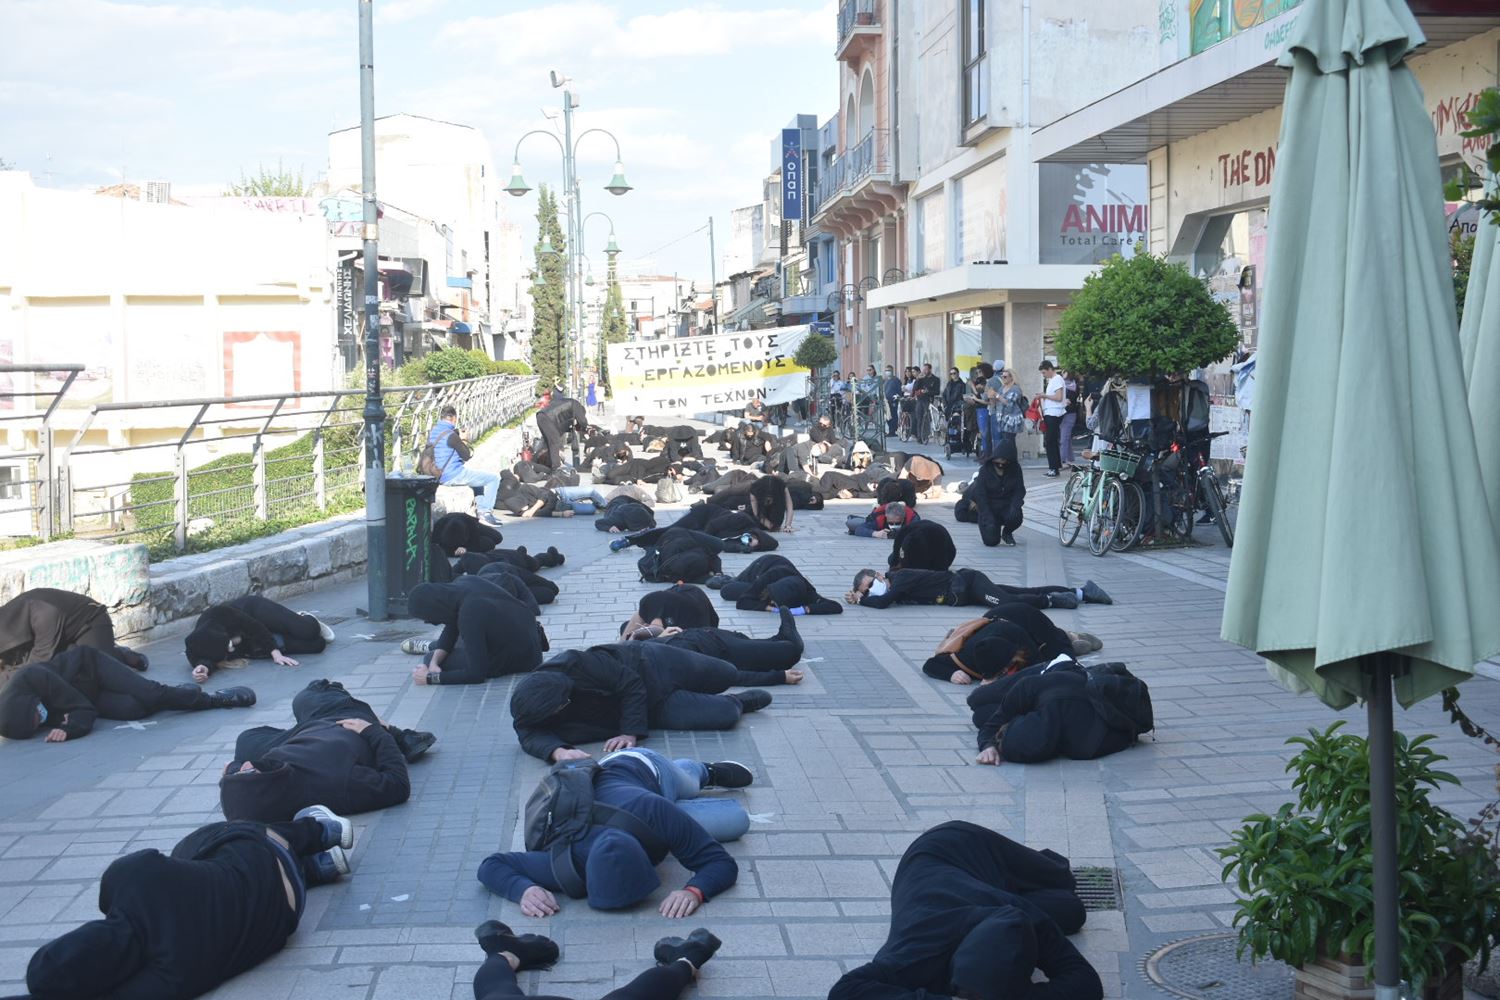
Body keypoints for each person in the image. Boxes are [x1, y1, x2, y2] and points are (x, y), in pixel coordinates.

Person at [14, 811, 358, 1000]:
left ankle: (317, 868)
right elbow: (114, 901)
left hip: (287, 911)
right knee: (202, 845)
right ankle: (319, 830)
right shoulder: (132, 875)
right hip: (266, 849)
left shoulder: (166, 977)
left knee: (223, 883)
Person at [828, 821, 1101, 1000]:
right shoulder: (920, 947)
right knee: (1065, 894)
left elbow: (1087, 982)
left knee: (1068, 896)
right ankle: (1014, 881)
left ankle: (1019, 878)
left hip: (969, 867)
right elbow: (845, 991)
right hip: (944, 860)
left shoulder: (1027, 918)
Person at [477, 752, 742, 917]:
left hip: (647, 768)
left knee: (704, 795)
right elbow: (491, 865)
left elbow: (720, 862)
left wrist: (694, 891)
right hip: (621, 788)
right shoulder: (569, 862)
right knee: (706, 821)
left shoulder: (654, 811)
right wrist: (524, 889)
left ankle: (704, 769)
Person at [509, 642, 774, 763]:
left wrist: (629, 732)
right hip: (653, 709)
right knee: (725, 714)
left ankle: (774, 673)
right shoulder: (532, 707)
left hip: (653, 664)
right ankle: (740, 700)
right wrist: (558, 752)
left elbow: (631, 683)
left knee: (726, 673)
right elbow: (527, 734)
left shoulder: (575, 663)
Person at [219, 678, 428, 822]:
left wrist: (233, 773)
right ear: (267, 790)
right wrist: (374, 732)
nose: (245, 765)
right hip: (345, 721)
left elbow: (241, 772)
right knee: (312, 692)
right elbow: (398, 786)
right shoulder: (340, 784)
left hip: (299, 736)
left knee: (246, 740)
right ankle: (397, 734)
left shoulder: (273, 775)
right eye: (246, 772)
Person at [0, 647, 255, 742]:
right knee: (132, 708)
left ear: (27, 704)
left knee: (150, 692)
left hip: (90, 667)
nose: (42, 720)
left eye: (37, 716)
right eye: (37, 726)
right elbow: (73, 708)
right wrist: (62, 719)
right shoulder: (18, 709)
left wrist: (70, 728)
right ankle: (176, 694)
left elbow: (82, 711)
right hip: (85, 694)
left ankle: (215, 699)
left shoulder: (31, 677)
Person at [968, 659, 1153, 765]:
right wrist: (988, 744)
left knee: (979, 713)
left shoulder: (1084, 748)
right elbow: (993, 724)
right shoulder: (1086, 746)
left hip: (1061, 676)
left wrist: (987, 745)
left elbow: (992, 724)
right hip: (1065, 675)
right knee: (977, 705)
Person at [406, 580, 547, 686]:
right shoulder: (464, 585)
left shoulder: (469, 613)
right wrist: (434, 662)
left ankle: (430, 648)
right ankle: (432, 648)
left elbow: (476, 674)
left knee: (431, 658)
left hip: (523, 660)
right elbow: (452, 625)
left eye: (427, 618)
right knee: (433, 658)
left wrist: (430, 678)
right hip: (530, 645)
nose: (429, 622)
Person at [623, 606, 807, 684]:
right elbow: (732, 677)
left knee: (763, 645)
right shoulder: (670, 664)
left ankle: (780, 637)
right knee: (790, 652)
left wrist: (657, 634)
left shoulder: (653, 645)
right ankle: (789, 641)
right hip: (725, 652)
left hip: (713, 635)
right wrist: (779, 677)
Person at [920, 603, 1087, 684]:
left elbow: (1042, 671)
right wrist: (951, 674)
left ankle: (1067, 637)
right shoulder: (968, 657)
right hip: (994, 621)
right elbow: (931, 664)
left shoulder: (1024, 650)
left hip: (1027, 619)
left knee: (1061, 656)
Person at [184, 595, 335, 683]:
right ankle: (287, 629)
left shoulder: (217, 614)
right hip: (252, 641)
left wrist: (275, 653)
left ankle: (303, 617)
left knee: (308, 631)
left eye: (229, 644)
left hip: (255, 614)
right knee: (317, 645)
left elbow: (253, 626)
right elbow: (204, 658)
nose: (231, 648)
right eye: (228, 648)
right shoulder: (196, 644)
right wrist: (203, 668)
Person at [0, 587, 148, 671]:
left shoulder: (43, 613)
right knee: (71, 667)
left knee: (99, 671)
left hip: (90, 622)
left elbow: (40, 660)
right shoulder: (10, 615)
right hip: (61, 638)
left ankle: (120, 654)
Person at [846, 567, 1113, 611]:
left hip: (969, 583)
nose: (871, 591)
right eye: (867, 591)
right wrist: (864, 597)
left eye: (870, 585)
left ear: (878, 575)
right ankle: (1082, 592)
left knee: (1007, 604)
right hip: (966, 592)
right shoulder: (899, 586)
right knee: (1020, 592)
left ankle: (1056, 601)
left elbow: (883, 603)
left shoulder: (900, 579)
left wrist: (861, 601)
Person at [429, 404, 503, 527]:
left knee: (478, 482)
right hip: (452, 475)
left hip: (437, 474)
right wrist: (463, 439)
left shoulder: (434, 431)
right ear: (454, 418)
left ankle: (481, 511)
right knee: (493, 479)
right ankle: (486, 513)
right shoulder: (451, 435)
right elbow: (466, 455)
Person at [715, 554, 843, 615]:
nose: (771, 603)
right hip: (763, 567)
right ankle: (724, 578)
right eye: (772, 601)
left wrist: (805, 610)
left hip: (782, 572)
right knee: (727, 590)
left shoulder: (805, 591)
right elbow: (743, 602)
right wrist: (771, 609)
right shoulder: (768, 579)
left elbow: (836, 607)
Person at [955, 437, 1026, 546]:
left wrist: (1015, 506)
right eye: (998, 461)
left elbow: (1019, 490)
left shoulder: (1015, 469)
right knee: (991, 540)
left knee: (1016, 516)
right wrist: (987, 517)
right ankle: (992, 528)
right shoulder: (985, 471)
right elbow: (981, 496)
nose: (1000, 464)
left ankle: (1007, 533)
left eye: (1004, 461)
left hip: (1006, 506)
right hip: (989, 508)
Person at [535, 394, 590, 470]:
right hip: (548, 418)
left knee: (548, 443)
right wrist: (585, 428)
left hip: (541, 416)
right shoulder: (577, 405)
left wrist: (572, 428)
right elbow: (583, 422)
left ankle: (540, 463)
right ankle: (556, 468)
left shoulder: (568, 403)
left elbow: (560, 422)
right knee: (555, 442)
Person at [887, 518, 957, 572]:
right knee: (891, 559)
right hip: (938, 541)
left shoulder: (937, 556)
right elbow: (895, 559)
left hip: (940, 550)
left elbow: (941, 570)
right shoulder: (903, 534)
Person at [430, 510, 505, 557]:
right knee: (489, 543)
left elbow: (477, 543)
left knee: (497, 537)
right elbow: (435, 548)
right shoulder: (439, 528)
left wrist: (467, 549)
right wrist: (454, 552)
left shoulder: (470, 524)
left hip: (467, 524)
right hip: (451, 536)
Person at [1038, 360, 1067, 477]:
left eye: (1044, 372)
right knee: (1051, 441)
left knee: (1050, 442)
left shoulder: (1057, 379)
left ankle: (1053, 468)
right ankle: (1055, 466)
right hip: (1051, 413)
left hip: (1054, 414)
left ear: (1050, 369)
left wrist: (1044, 395)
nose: (1044, 375)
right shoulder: (1054, 380)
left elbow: (1058, 397)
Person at [845, 499, 918, 539]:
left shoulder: (912, 518)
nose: (894, 526)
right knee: (851, 523)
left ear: (903, 518)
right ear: (886, 517)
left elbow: (919, 532)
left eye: (898, 523)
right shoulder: (879, 518)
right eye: (891, 523)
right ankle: (875, 507)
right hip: (876, 520)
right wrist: (875, 533)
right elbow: (859, 529)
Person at [990, 367, 1025, 446]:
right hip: (1002, 418)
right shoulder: (1002, 388)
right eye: (1002, 376)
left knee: (1009, 441)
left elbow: (1009, 403)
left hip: (1012, 419)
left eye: (1005, 377)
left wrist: (996, 395)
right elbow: (998, 402)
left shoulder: (1015, 389)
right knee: (1005, 441)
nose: (1003, 378)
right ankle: (1006, 457)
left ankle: (1011, 458)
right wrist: (992, 397)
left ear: (1011, 377)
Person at [913, 363, 941, 439]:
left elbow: (937, 392)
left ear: (930, 370)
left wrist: (927, 392)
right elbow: (914, 389)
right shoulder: (921, 378)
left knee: (926, 419)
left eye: (926, 369)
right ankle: (919, 437)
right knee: (919, 419)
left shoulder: (936, 379)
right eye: (923, 369)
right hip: (920, 400)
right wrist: (918, 379)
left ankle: (925, 436)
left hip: (928, 400)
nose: (924, 371)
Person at [1059, 367, 1080, 466]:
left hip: (1069, 413)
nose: (1062, 374)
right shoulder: (1062, 384)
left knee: (1064, 437)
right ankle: (1070, 458)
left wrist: (1065, 400)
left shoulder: (1073, 386)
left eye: (1064, 372)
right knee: (1066, 437)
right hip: (1062, 413)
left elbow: (1071, 400)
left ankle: (1062, 460)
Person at [882, 365, 903, 436]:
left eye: (889, 370)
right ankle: (890, 430)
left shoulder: (896, 380)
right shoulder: (885, 381)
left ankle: (893, 431)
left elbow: (899, 391)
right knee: (888, 415)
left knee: (893, 415)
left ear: (892, 371)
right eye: (886, 370)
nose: (887, 372)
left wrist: (897, 396)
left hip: (893, 400)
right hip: (886, 401)